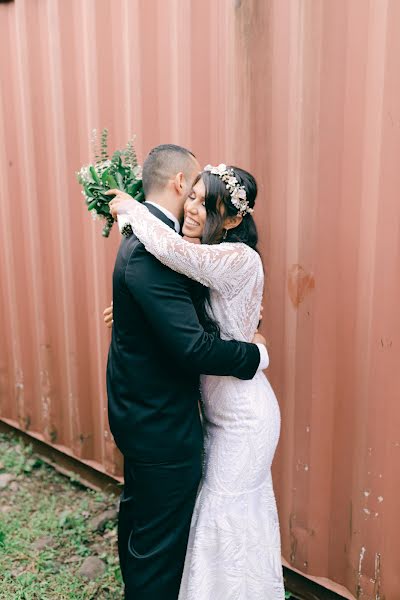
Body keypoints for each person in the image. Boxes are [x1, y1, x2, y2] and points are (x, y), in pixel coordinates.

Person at [108, 161, 284, 599]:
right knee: (216, 520)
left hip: (244, 416)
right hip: (217, 412)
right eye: (193, 197)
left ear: (235, 218)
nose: (194, 210)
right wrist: (135, 315)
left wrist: (134, 210)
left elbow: (173, 253)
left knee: (223, 517)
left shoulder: (235, 257)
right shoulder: (210, 259)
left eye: (209, 205)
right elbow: (187, 308)